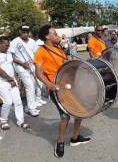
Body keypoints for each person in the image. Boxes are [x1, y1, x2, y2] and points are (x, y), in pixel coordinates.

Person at [34, 25, 91, 158]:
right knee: (65, 115)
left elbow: (65, 65)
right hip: (56, 87)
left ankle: (75, 138)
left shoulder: (59, 48)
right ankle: (60, 141)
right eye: (55, 34)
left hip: (69, 84)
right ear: (47, 36)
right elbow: (38, 72)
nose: (58, 35)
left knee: (80, 110)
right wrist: (49, 84)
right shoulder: (40, 51)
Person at [0, 36, 30, 130]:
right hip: (0, 81)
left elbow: (12, 62)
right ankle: (3, 121)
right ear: (0, 43)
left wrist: (22, 65)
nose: (7, 47)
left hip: (11, 80)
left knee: (18, 101)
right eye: (6, 46)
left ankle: (21, 121)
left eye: (8, 46)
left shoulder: (8, 53)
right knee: (7, 102)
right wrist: (10, 79)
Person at [9, 25, 46, 117]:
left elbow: (36, 54)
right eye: (23, 32)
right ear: (20, 31)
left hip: (32, 65)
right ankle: (31, 108)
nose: (25, 33)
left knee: (34, 85)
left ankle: (29, 105)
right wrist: (22, 63)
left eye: (27, 32)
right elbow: (11, 57)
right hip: (21, 66)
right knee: (29, 86)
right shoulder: (14, 42)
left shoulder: (32, 41)